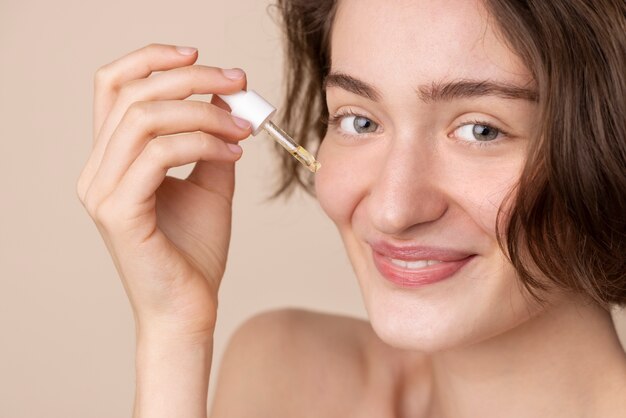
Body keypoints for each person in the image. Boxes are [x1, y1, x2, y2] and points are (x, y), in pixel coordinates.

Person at [77, 0, 626, 416]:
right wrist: (173, 332)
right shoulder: (286, 376)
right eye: (360, 121)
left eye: (481, 129)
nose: (392, 210)